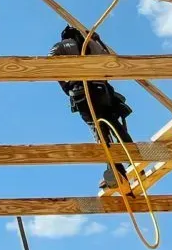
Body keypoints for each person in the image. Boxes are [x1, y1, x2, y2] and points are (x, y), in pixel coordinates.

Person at [48, 26, 135, 191]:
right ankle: (135, 159)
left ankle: (116, 171)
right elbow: (109, 60)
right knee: (114, 125)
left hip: (83, 93)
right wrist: (97, 40)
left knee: (99, 131)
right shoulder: (94, 44)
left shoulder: (60, 46)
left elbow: (49, 63)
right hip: (102, 91)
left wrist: (65, 85)